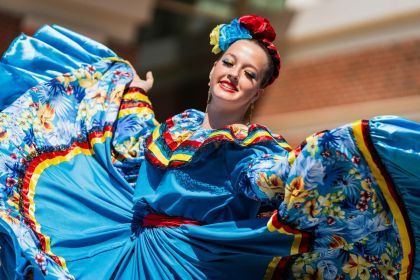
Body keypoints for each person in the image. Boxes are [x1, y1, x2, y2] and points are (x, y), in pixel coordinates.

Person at [0, 15, 419, 280]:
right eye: (230, 62)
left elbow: (268, 178)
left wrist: (316, 160)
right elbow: (131, 147)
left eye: (249, 74)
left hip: (188, 264)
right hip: (123, 246)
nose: (234, 75)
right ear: (214, 67)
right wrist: (133, 94)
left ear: (255, 92)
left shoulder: (252, 149)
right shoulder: (177, 126)